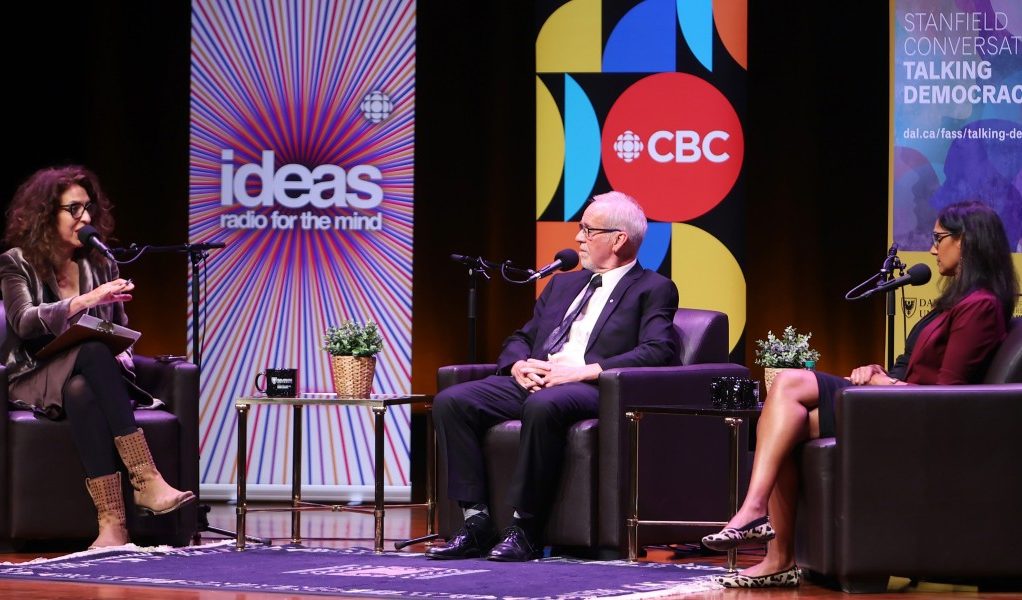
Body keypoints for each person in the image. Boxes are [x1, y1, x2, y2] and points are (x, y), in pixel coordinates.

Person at [702, 200, 1020, 588]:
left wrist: (888, 387)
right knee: (785, 425)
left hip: (917, 417)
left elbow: (948, 392)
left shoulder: (980, 307)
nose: (933, 249)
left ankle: (755, 514)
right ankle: (778, 557)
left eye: (938, 239)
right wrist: (880, 373)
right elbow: (919, 370)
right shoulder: (958, 301)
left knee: (788, 382)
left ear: (966, 242)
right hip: (899, 405)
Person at [427, 191, 679, 561]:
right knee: (453, 401)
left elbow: (659, 349)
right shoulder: (563, 284)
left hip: (592, 387)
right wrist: (518, 365)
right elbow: (523, 337)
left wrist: (583, 372)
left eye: (587, 230)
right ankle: (476, 521)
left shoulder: (652, 288)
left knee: (543, 406)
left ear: (618, 239)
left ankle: (524, 528)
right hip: (538, 378)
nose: (578, 239)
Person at [1, 165, 195, 549]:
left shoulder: (100, 263)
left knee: (82, 388)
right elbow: (23, 322)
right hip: (35, 374)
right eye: (74, 209)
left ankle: (111, 526)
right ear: (45, 214)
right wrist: (86, 301)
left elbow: (116, 327)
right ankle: (145, 478)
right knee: (89, 352)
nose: (86, 218)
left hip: (88, 375)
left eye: (88, 208)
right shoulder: (16, 261)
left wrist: (120, 355)